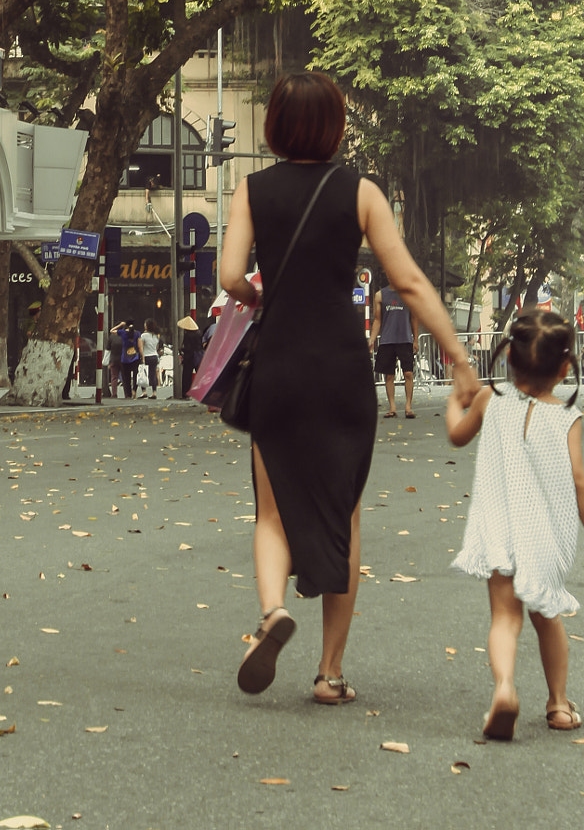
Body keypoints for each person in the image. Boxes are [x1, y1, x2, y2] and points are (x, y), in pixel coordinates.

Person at [218, 70, 479, 705]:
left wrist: (258, 293)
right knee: (346, 514)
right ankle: (330, 674)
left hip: (278, 362)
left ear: (276, 126)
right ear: (336, 126)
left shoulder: (251, 189)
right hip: (341, 367)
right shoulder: (361, 192)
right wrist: (458, 357)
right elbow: (410, 282)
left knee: (272, 507)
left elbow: (229, 276)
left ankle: (274, 609)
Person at [447, 307, 584, 738]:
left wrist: (455, 401)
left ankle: (504, 688)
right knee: (547, 617)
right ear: (565, 368)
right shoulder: (567, 418)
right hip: (544, 537)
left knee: (504, 618)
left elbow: (457, 435)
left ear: (509, 358)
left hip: (499, 530)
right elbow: (579, 481)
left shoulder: (490, 399)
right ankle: (559, 705)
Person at [370, 281, 421, 420]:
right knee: (389, 376)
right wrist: (372, 339)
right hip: (387, 340)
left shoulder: (408, 294)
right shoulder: (380, 295)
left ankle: (408, 407)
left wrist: (415, 339)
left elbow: (414, 317)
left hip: (405, 339)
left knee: (408, 373)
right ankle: (392, 408)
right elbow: (377, 320)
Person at [139, 325, 160, 396]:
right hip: (154, 356)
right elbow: (157, 347)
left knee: (143, 373)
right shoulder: (156, 336)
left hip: (146, 356)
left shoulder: (143, 335)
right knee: (153, 375)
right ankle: (154, 392)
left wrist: (142, 357)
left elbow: (141, 347)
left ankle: (144, 391)